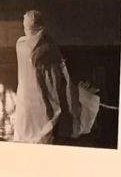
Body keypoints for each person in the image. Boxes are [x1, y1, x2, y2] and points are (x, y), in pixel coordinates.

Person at [12, 9, 98, 144]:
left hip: (30, 95)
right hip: (32, 95)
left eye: (25, 26)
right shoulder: (43, 45)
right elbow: (56, 72)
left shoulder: (24, 44)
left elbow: (53, 72)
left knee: (35, 123)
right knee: (41, 119)